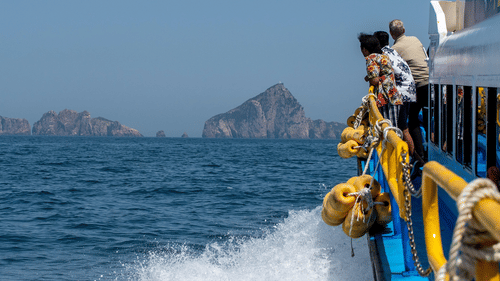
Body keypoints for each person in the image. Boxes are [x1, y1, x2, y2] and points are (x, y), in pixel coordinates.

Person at [389, 19, 429, 163]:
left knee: (412, 121)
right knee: (430, 118)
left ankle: (420, 155)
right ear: (404, 31)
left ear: (391, 34)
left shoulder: (395, 49)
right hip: (430, 83)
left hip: (416, 86)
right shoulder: (415, 39)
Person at [374, 31, 416, 156]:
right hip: (410, 91)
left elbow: (385, 74)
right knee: (405, 127)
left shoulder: (383, 55)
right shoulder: (393, 51)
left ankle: (411, 158)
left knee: (403, 128)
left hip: (401, 93)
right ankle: (412, 156)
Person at [358, 33, 403, 127]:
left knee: (386, 127)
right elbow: (384, 73)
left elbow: (374, 80)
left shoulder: (371, 59)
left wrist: (370, 78)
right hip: (394, 95)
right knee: (395, 128)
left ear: (365, 49)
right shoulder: (383, 57)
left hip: (384, 98)